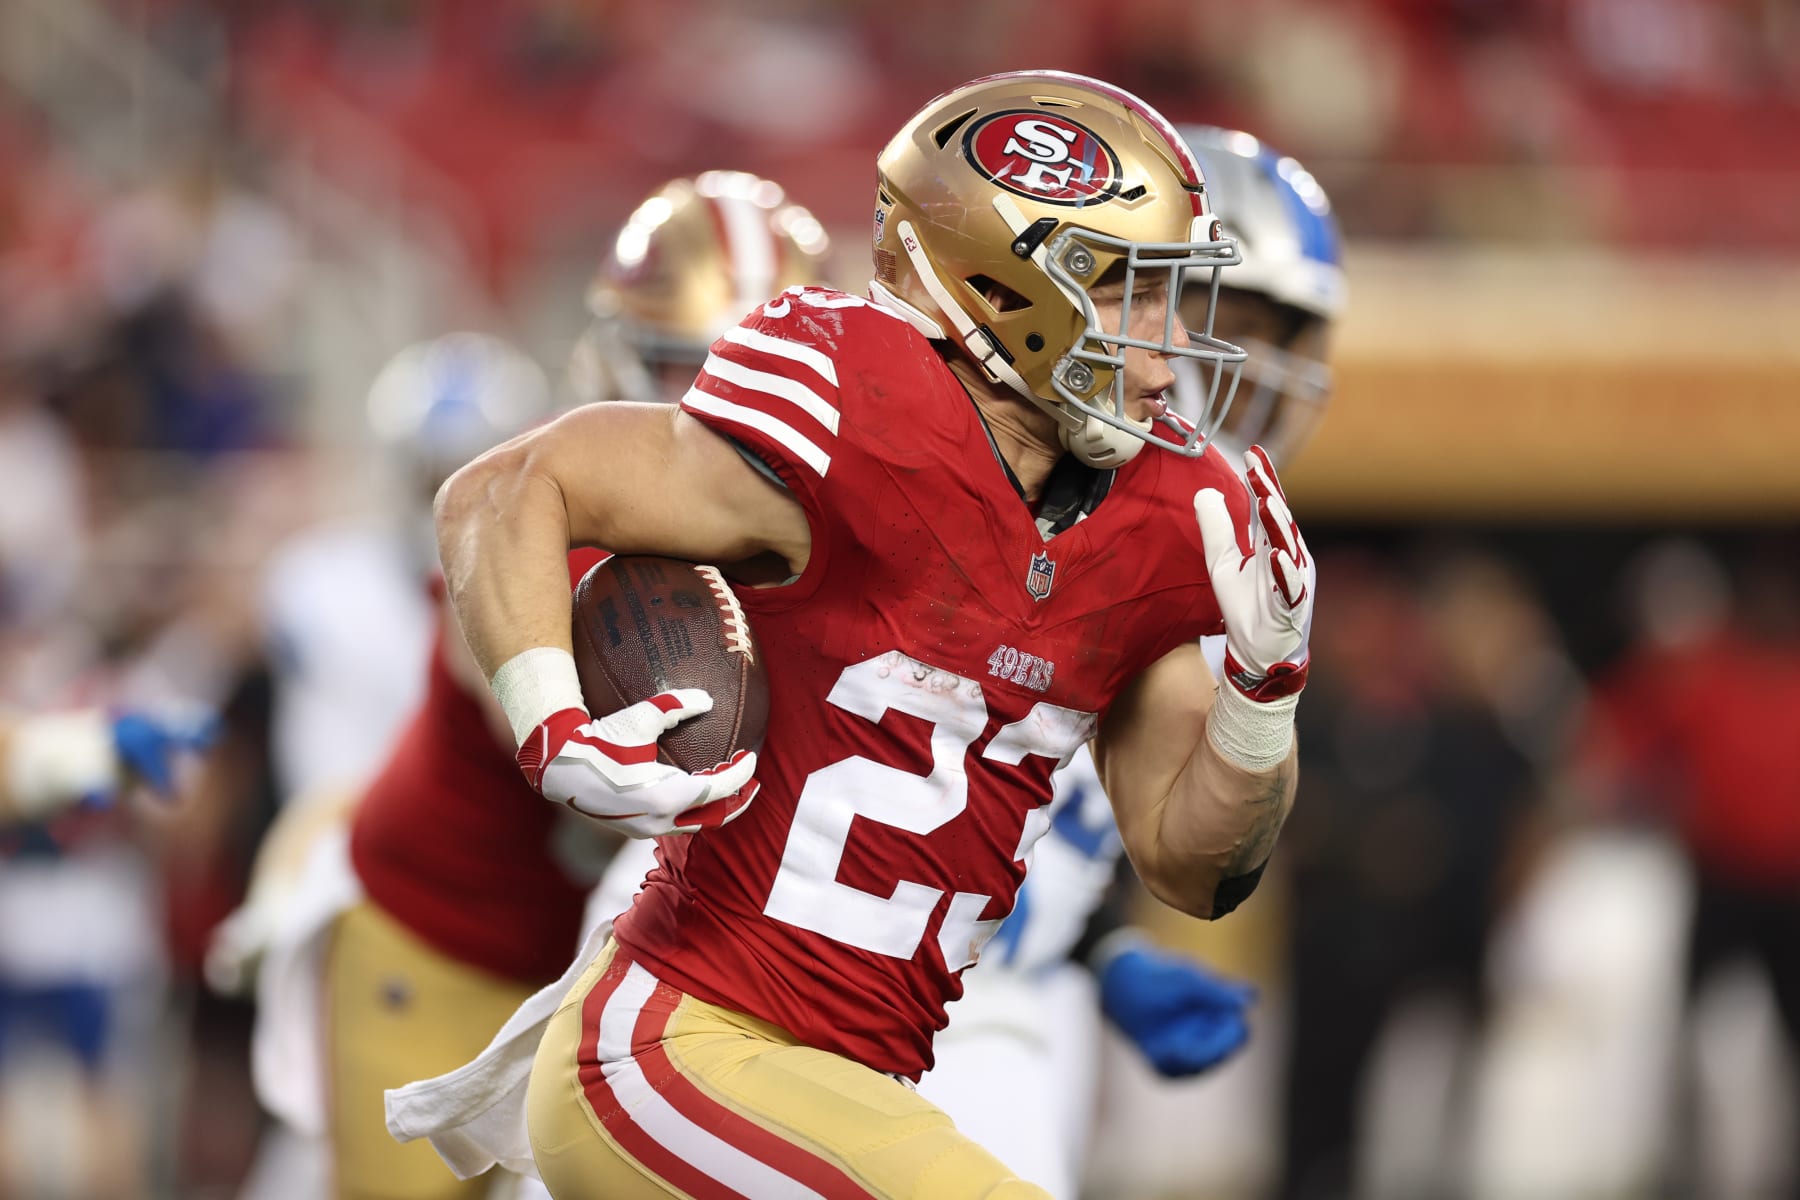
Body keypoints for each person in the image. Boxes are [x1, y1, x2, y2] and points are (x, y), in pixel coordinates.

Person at [394, 70, 1316, 1199]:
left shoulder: (1169, 517)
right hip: (683, 1046)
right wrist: (554, 723)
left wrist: (1261, 700)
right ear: (1007, 282)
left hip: (854, 1084)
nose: (1172, 351)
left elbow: (1196, 866)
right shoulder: (856, 402)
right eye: (1132, 293)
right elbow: (503, 489)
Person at [230, 176, 831, 1200]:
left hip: (619, 991)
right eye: (691, 368)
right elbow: (495, 658)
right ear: (615, 361)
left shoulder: (833, 535)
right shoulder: (549, 495)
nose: (721, 411)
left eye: (755, 372)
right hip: (442, 952)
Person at [907, 122, 1346, 1198]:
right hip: (796, 962)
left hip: (992, 1003)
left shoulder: (1219, 540)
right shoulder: (967, 458)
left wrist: (1094, 943)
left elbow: (1043, 782)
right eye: (1211, 313)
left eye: (1268, 332)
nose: (1222, 362)